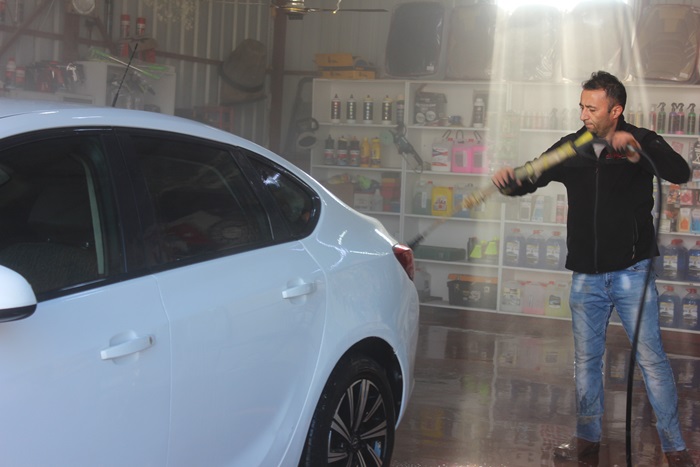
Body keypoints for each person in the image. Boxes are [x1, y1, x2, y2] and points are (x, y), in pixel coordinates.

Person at [491, 71, 694, 466]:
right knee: (586, 362)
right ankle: (587, 442)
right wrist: (510, 181)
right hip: (586, 275)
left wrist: (636, 149)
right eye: (581, 106)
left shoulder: (643, 139)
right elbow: (533, 175)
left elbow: (679, 172)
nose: (583, 114)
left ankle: (675, 448)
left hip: (632, 272)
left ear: (615, 110)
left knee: (652, 361)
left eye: (592, 108)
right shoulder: (573, 147)